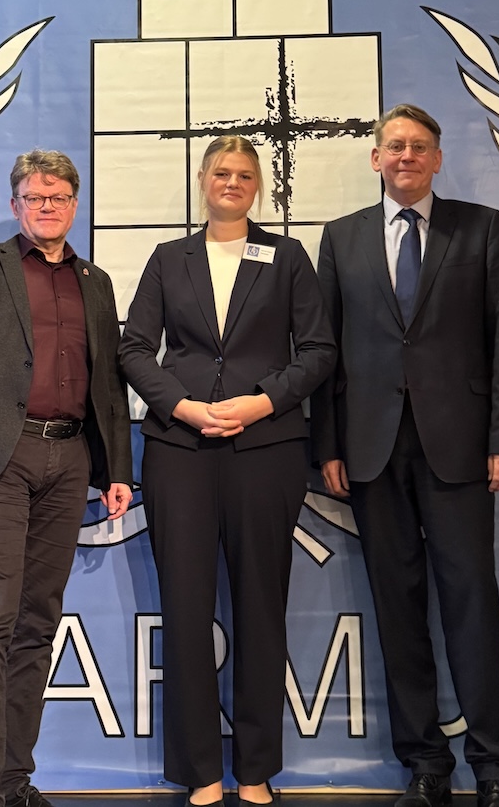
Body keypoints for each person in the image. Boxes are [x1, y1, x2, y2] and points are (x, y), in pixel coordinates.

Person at [310, 105, 499, 807]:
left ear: (437, 158)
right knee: (397, 609)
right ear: (375, 158)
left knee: (472, 602)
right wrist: (328, 445)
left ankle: (495, 767)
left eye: (419, 146)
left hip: (459, 446)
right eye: (395, 146)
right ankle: (425, 765)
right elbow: (325, 350)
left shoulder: (479, 227)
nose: (406, 156)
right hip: (370, 451)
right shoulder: (341, 237)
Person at [119, 136, 336, 807]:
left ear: (257, 184)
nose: (232, 182)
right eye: (221, 172)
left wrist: (263, 401)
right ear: (202, 180)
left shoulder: (287, 257)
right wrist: (182, 406)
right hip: (179, 450)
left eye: (244, 174)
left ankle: (255, 771)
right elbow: (133, 348)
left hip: (266, 448)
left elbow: (319, 349)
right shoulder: (168, 258)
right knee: (185, 612)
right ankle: (201, 774)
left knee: (260, 610)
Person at [0, 149, 133, 807]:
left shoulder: (95, 281)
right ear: (15, 205)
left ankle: (15, 782)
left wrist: (116, 470)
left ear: (75, 205)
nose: (47, 207)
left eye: (59, 197)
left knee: (39, 624)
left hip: (69, 462)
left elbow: (107, 382)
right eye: (35, 197)